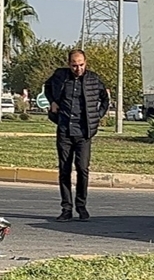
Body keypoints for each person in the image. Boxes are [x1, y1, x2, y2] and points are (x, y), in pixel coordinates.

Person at [44, 49, 109, 222]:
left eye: (81, 65)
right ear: (69, 64)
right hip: (65, 129)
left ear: (85, 63)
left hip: (84, 131)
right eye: (74, 65)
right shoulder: (60, 76)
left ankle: (82, 206)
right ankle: (66, 208)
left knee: (82, 169)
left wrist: (97, 115)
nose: (78, 68)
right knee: (64, 170)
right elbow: (47, 87)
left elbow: (105, 99)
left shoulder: (93, 79)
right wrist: (53, 102)